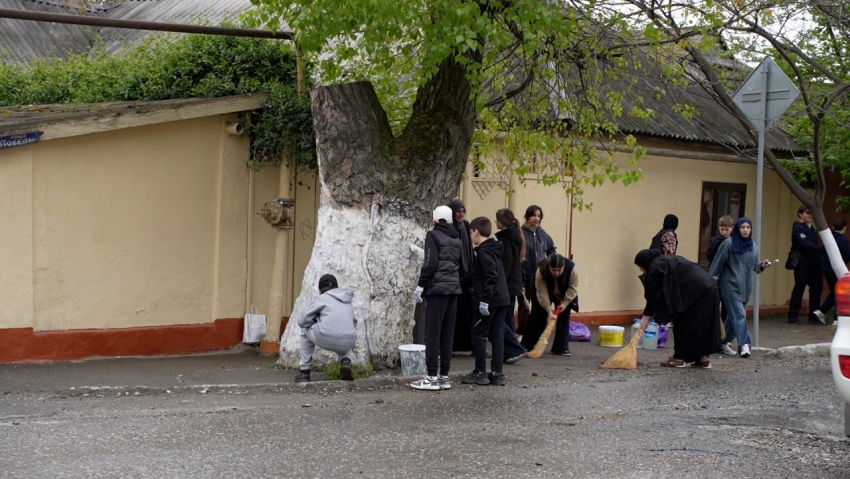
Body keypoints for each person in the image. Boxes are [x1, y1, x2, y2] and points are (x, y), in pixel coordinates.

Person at [634, 249, 720, 368]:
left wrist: (646, 317)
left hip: (697, 292)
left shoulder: (655, 267)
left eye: (640, 266)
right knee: (702, 326)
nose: (641, 270)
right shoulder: (666, 260)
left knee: (683, 324)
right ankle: (703, 359)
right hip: (709, 287)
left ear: (645, 262)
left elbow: (654, 295)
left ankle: (679, 358)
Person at [410, 206, 462, 391]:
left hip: (437, 290)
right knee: (447, 334)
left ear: (434, 220)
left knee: (432, 334)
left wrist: (420, 285)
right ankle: (444, 376)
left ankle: (431, 377)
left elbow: (430, 263)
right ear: (450, 221)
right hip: (453, 290)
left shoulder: (433, 236)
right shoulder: (457, 238)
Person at [709, 217, 774, 358]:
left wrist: (762, 265)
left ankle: (722, 342)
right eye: (743, 227)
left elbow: (755, 266)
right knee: (739, 315)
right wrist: (711, 282)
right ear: (738, 229)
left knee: (733, 318)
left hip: (745, 288)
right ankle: (745, 345)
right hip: (730, 286)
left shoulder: (753, 246)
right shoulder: (728, 244)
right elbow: (717, 264)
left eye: (748, 227)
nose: (745, 230)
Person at [462, 217, 510, 386]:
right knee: (497, 336)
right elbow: (481, 274)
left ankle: (480, 372)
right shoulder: (494, 249)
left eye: (471, 233)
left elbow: (490, 276)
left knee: (479, 335)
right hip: (502, 298)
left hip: (490, 300)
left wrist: (484, 300)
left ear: (476, 231)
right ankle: (497, 373)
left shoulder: (483, 252)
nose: (471, 237)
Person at [296, 274, 357, 383]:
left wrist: (314, 321)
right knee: (348, 332)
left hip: (325, 338)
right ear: (337, 288)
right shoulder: (347, 299)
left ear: (320, 291)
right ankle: (346, 361)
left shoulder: (321, 298)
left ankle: (304, 372)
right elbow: (354, 323)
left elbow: (302, 321)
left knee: (304, 329)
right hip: (348, 343)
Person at [520, 253, 578, 357]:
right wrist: (549, 311)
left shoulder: (571, 269)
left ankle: (560, 347)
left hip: (564, 293)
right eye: (553, 270)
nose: (556, 273)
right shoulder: (541, 271)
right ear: (549, 267)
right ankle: (527, 345)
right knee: (537, 315)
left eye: (559, 270)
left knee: (564, 316)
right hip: (544, 291)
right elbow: (541, 293)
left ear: (564, 267)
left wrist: (565, 303)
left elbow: (573, 288)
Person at [495, 208, 527, 364]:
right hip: (513, 285)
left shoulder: (505, 240)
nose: (495, 222)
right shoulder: (516, 237)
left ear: (502, 222)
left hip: (506, 285)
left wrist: (498, 284)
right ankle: (508, 352)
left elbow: (505, 266)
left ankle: (514, 350)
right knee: (507, 318)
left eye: (497, 220)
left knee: (502, 319)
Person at [519, 205, 556, 334]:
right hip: (525, 275)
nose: (536, 218)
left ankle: (536, 333)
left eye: (539, 216)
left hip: (540, 276)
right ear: (527, 216)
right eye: (534, 215)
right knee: (524, 306)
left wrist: (548, 263)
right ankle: (522, 333)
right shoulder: (521, 233)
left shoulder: (543, 234)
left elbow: (551, 250)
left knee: (539, 305)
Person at [788, 205, 825, 325]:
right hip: (803, 264)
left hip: (815, 264)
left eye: (811, 213)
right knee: (799, 289)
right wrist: (821, 249)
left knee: (816, 290)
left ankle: (813, 317)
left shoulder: (811, 228)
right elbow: (804, 243)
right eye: (807, 213)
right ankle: (793, 316)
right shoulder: (798, 228)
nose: (810, 215)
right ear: (800, 214)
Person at [449, 199, 475, 351]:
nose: (461, 214)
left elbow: (468, 248)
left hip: (465, 274)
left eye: (463, 211)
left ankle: (466, 343)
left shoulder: (465, 226)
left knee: (466, 310)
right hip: (454, 274)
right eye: (458, 211)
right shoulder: (449, 227)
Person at [707, 214, 735, 355]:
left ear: (732, 229)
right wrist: (719, 242)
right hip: (715, 278)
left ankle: (724, 340)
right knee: (714, 308)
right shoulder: (714, 240)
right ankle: (713, 339)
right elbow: (709, 257)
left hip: (728, 279)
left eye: (726, 230)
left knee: (727, 310)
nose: (724, 232)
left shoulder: (734, 242)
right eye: (722, 229)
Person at [818, 217, 850, 324]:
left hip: (826, 268)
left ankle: (821, 311)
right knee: (839, 292)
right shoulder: (843, 240)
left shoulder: (829, 239)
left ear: (833, 227)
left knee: (835, 292)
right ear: (844, 228)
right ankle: (836, 319)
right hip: (837, 269)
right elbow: (847, 255)